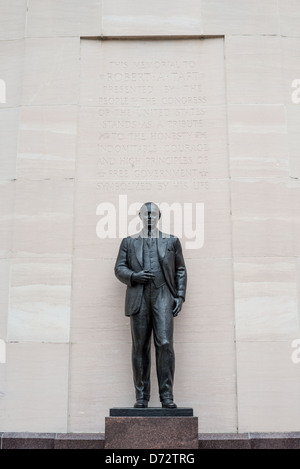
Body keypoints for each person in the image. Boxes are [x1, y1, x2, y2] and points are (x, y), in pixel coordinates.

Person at [114, 202, 187, 408]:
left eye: (152, 214)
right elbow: (119, 268)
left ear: (159, 216)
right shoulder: (129, 242)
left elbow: (180, 269)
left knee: (164, 343)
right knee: (140, 347)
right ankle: (141, 396)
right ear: (139, 216)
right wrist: (134, 276)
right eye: (145, 214)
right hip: (139, 296)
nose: (149, 217)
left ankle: (166, 396)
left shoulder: (172, 241)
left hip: (163, 294)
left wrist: (179, 296)